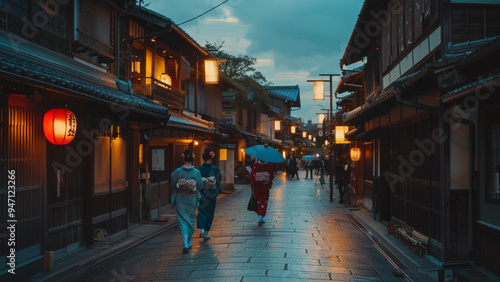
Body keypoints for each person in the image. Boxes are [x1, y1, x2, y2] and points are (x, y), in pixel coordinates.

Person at [171, 149, 204, 253]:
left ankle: (186, 242)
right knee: (190, 220)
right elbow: (201, 185)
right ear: (193, 157)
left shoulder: (178, 172)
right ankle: (188, 241)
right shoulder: (196, 172)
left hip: (181, 198)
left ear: (183, 156)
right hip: (191, 199)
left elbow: (173, 183)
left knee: (182, 221)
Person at [197, 148, 222, 240]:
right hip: (211, 192)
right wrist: (217, 190)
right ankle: (206, 232)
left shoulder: (199, 169)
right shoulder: (215, 169)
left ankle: (202, 230)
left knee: (201, 210)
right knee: (210, 212)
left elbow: (197, 181)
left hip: (201, 192)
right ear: (211, 157)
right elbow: (218, 181)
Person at [249, 158, 274, 225]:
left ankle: (259, 214)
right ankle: (261, 215)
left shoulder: (255, 165)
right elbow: (272, 176)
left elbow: (251, 176)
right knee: (264, 201)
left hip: (257, 187)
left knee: (258, 201)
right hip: (265, 187)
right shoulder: (269, 166)